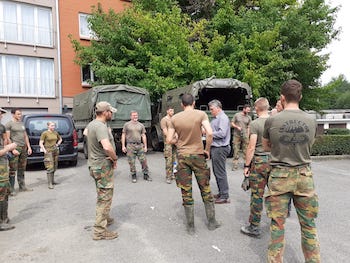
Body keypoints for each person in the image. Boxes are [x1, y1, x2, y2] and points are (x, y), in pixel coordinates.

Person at [262, 80, 320, 262]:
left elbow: (265, 147)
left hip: (279, 176)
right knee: (309, 225)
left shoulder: (272, 120)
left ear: (282, 97)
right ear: (300, 97)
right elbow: (310, 144)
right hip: (304, 176)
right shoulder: (312, 120)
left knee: (277, 226)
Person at [166, 94, 220, 235]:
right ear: (194, 103)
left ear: (182, 104)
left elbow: (169, 139)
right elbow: (209, 133)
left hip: (183, 156)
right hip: (198, 155)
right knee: (205, 188)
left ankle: (190, 226)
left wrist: (179, 141)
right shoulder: (201, 114)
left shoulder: (175, 119)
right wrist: (206, 150)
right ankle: (212, 222)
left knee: (186, 191)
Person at [86, 101, 118, 240]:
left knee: (102, 193)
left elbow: (87, 134)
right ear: (105, 112)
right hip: (102, 165)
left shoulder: (92, 124)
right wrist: (114, 158)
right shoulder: (100, 126)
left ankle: (105, 217)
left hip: (94, 164)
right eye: (110, 112)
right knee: (104, 197)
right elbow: (106, 146)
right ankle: (99, 231)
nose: (112, 114)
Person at [240, 97, 271, 238]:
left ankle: (254, 226)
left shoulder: (255, 124)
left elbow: (251, 146)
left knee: (257, 195)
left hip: (259, 162)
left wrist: (246, 165)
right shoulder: (276, 121)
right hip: (275, 162)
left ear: (256, 109)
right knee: (275, 194)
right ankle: (276, 222)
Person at [208, 100, 231, 204]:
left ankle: (225, 195)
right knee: (217, 172)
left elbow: (222, 133)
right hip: (216, 147)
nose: (210, 111)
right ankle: (222, 193)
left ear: (218, 108)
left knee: (220, 172)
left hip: (220, 148)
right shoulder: (216, 118)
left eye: (212, 109)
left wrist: (209, 133)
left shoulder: (223, 118)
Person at [6, 108, 33, 194]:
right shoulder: (9, 124)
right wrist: (12, 149)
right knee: (13, 169)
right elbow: (7, 138)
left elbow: (25, 136)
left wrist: (29, 147)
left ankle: (22, 186)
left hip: (23, 148)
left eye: (20, 114)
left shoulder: (22, 124)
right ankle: (11, 189)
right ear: (13, 114)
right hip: (15, 148)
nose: (20, 115)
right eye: (18, 114)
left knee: (22, 168)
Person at [121, 111, 151, 183]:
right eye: (134, 115)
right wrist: (123, 146)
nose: (135, 117)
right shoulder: (127, 125)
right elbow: (123, 135)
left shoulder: (141, 125)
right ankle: (133, 175)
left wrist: (145, 146)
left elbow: (143, 135)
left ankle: (146, 174)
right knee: (131, 162)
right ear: (130, 116)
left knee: (144, 161)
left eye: (136, 115)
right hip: (130, 146)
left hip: (139, 145)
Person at [0, 108, 17, 231]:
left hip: (3, 165)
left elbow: (4, 140)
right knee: (1, 193)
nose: (1, 115)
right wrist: (8, 148)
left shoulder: (1, 127)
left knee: (4, 192)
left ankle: (4, 218)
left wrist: (8, 147)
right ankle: (1, 222)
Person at [39, 122, 62, 189]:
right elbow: (40, 143)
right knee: (50, 166)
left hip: (55, 150)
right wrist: (44, 150)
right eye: (52, 125)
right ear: (48, 126)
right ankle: (50, 183)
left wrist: (57, 144)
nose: (53, 127)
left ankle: (53, 180)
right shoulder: (45, 133)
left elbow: (60, 139)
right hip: (48, 151)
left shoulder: (55, 132)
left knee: (55, 165)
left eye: (54, 126)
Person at [231, 104, 251, 170]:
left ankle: (246, 165)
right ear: (244, 109)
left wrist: (248, 136)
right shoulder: (237, 115)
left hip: (245, 135)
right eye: (247, 110)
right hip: (237, 135)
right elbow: (232, 123)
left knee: (245, 151)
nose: (248, 112)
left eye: (249, 111)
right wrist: (237, 127)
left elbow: (249, 127)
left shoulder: (249, 117)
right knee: (236, 150)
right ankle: (235, 165)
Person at [160, 106, 177, 184]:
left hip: (175, 142)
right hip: (168, 143)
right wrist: (172, 139)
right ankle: (168, 176)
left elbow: (177, 130)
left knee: (174, 159)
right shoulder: (164, 120)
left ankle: (173, 174)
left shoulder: (174, 119)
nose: (172, 112)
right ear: (167, 111)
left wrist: (176, 139)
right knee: (169, 160)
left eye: (173, 111)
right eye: (170, 111)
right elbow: (165, 132)